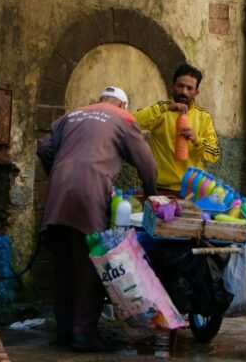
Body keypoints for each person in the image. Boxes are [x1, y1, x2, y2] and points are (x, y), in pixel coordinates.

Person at [36, 85, 157, 352]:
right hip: (89, 195)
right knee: (90, 265)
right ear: (124, 105)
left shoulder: (72, 114)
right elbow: (147, 164)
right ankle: (83, 333)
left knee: (63, 267)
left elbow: (43, 148)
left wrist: (59, 173)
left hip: (56, 195)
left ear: (100, 100)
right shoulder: (123, 119)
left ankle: (65, 332)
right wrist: (152, 196)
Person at [134, 63, 221, 193]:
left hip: (194, 190)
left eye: (189, 88)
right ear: (172, 86)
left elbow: (215, 154)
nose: (184, 92)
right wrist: (165, 108)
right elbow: (131, 121)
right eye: (180, 86)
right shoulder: (160, 110)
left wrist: (196, 140)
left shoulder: (204, 117)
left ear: (196, 92)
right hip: (161, 188)